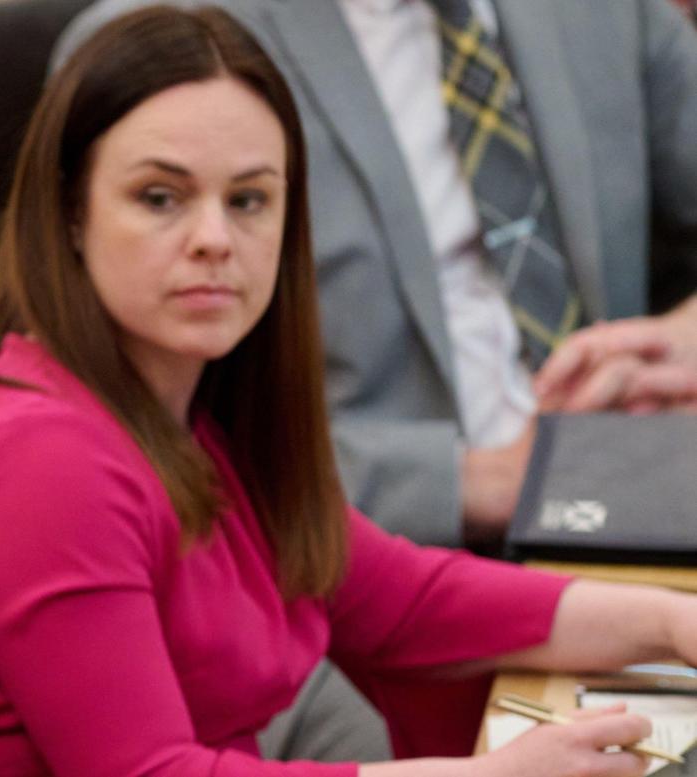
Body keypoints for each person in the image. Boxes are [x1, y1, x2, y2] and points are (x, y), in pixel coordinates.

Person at [0, 7, 697, 776]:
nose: (214, 239)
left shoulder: (202, 406)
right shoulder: (38, 461)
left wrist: (669, 620)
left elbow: (400, 598)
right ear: (69, 213)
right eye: (160, 197)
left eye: (249, 199)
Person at [54, 0, 697, 550]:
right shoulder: (170, 39)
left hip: (636, 498)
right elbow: (130, 423)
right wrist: (473, 484)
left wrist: (681, 340)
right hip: (362, 568)